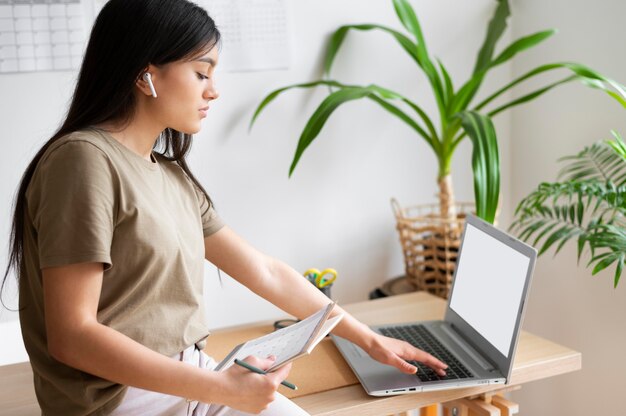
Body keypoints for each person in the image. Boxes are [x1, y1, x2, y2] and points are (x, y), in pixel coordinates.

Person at [1, 0, 447, 414]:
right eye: (201, 72)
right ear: (145, 75)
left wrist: (368, 339)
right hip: (122, 400)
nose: (214, 91)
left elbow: (265, 271)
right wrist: (222, 389)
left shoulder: (169, 174)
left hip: (186, 376)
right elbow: (72, 337)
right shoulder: (83, 161)